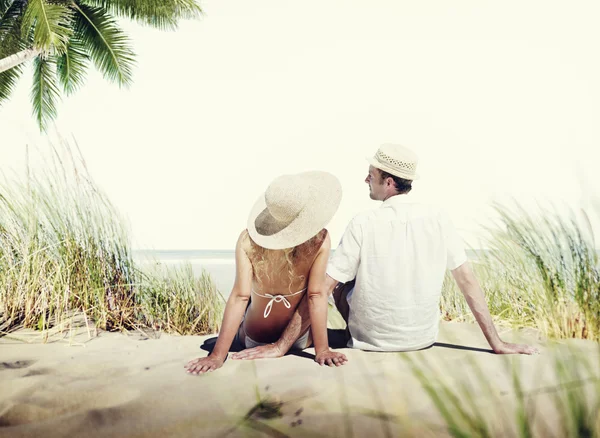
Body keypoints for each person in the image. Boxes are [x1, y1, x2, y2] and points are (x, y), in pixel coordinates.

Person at [233, 143, 539, 357]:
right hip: (422, 339)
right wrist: (496, 342)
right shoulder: (439, 218)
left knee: (340, 279)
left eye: (371, 175)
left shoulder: (364, 222)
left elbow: (322, 291)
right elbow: (467, 280)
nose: (366, 179)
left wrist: (279, 346)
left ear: (389, 182)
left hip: (370, 341)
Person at [185, 171, 349, 375]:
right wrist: (322, 350)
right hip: (299, 340)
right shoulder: (320, 240)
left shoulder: (248, 241)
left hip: (254, 337)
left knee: (224, 333)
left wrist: (217, 355)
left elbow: (240, 296)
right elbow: (316, 295)